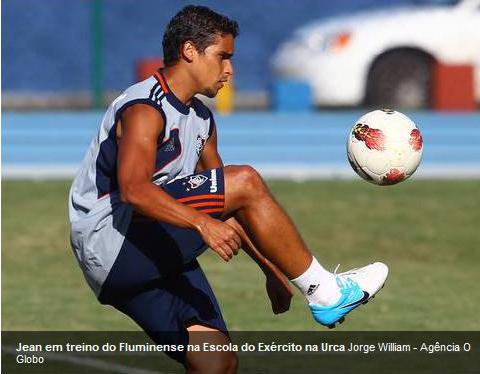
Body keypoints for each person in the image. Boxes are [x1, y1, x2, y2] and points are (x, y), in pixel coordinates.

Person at [69, 5, 388, 373]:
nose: (230, 70)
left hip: (145, 251)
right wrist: (202, 224)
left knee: (216, 361)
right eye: (223, 57)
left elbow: (228, 204)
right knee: (246, 179)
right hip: (112, 242)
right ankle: (324, 291)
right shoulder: (144, 108)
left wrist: (271, 270)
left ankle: (315, 289)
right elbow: (134, 190)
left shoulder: (202, 120)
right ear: (190, 51)